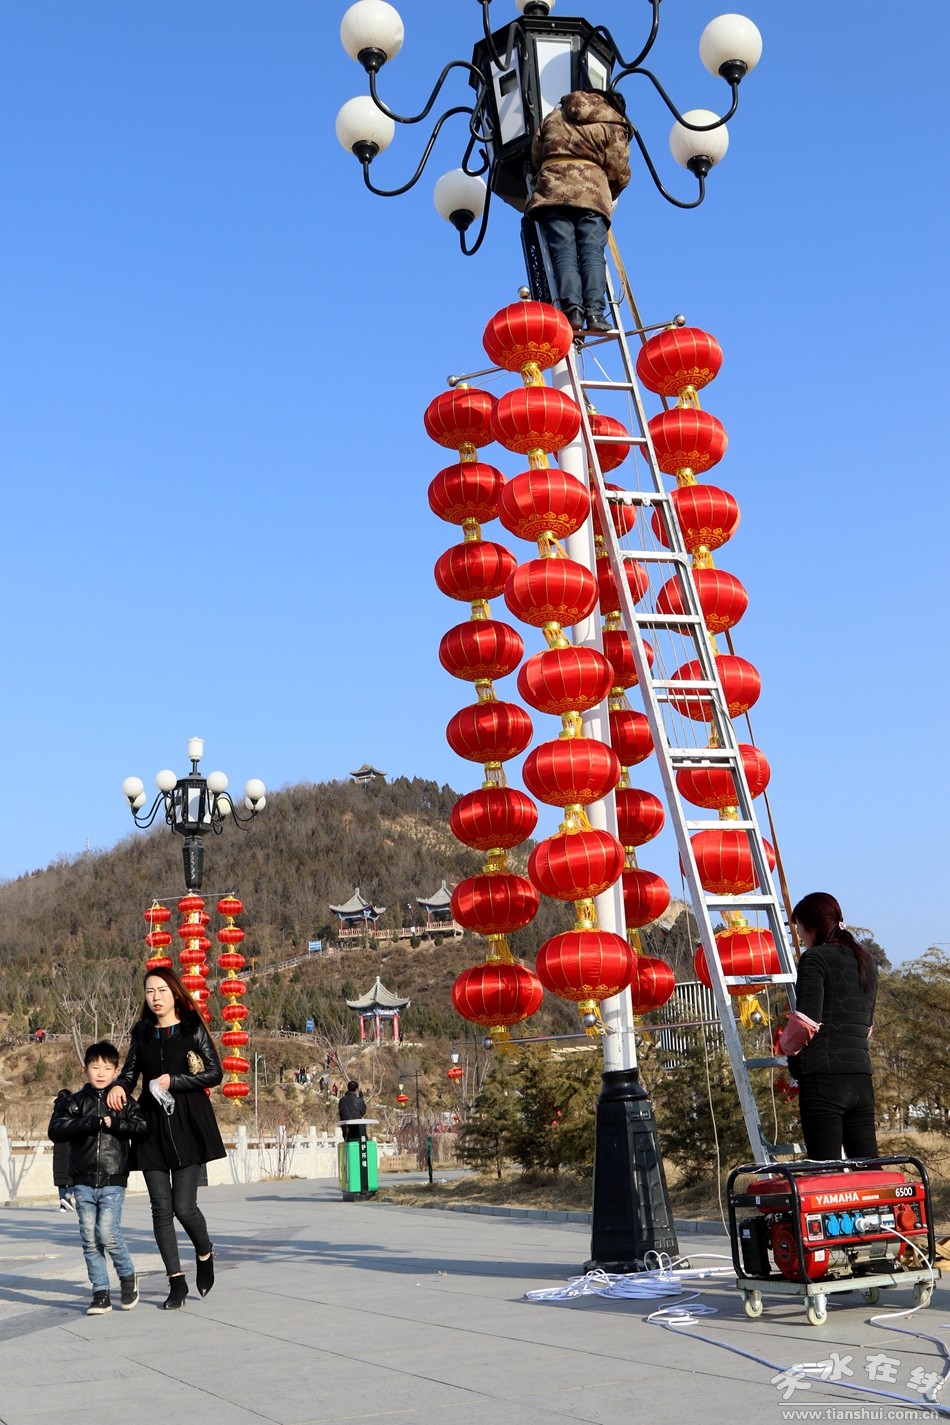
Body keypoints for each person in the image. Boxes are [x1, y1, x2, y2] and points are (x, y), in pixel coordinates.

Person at [106, 966, 226, 1310]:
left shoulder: (192, 1029)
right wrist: (118, 1086)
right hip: (151, 1127)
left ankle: (205, 1252)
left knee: (183, 1207)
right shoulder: (142, 1033)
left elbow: (214, 1073)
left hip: (188, 1123)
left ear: (175, 993)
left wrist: (175, 1081)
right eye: (149, 992)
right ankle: (176, 1281)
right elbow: (130, 1073)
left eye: (161, 990)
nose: (155, 998)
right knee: (161, 1209)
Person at [48, 1040, 148, 1315]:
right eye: (95, 1067)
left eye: (107, 1068)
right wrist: (88, 1123)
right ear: (85, 1069)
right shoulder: (75, 1102)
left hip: (113, 1178)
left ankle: (127, 1276)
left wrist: (117, 1124)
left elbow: (142, 1127)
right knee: (89, 1239)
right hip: (82, 1180)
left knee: (107, 1232)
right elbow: (56, 1130)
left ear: (116, 1071)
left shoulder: (123, 1101)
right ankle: (100, 1292)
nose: (101, 1073)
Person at [778, 891, 879, 1161]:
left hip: (823, 1080)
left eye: (799, 927)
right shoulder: (867, 961)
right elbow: (866, 1027)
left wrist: (785, 1046)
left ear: (811, 926)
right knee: (868, 1168)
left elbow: (806, 1022)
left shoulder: (815, 958)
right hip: (860, 1079)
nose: (799, 934)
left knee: (825, 1170)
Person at [525, 88, 633, 335]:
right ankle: (595, 313)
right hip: (591, 194)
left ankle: (572, 311)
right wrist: (609, 191)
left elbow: (536, 155)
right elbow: (619, 170)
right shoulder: (614, 122)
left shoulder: (554, 116)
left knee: (563, 251)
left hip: (552, 191)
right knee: (591, 252)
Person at [51, 1139, 74, 1211]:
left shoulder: (57, 1136)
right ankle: (67, 1197)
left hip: (58, 1161)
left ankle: (63, 1206)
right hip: (70, 1159)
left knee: (61, 1182)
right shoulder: (70, 1135)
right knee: (73, 1180)